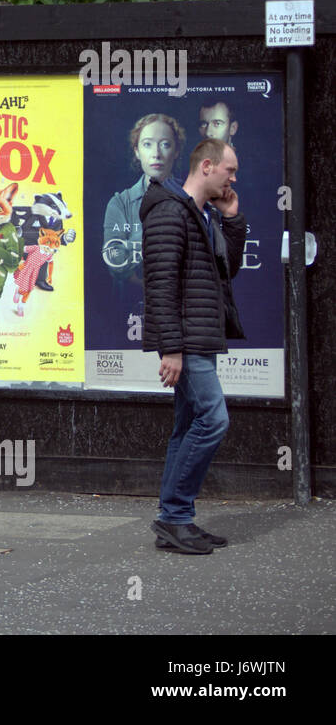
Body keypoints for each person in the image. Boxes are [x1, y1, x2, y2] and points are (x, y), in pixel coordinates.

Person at [141, 138, 245, 554]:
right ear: (207, 166)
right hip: (186, 341)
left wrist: (233, 219)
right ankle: (173, 517)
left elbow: (227, 271)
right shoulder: (169, 210)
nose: (233, 179)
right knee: (213, 420)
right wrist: (172, 349)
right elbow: (161, 285)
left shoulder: (200, 214)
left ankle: (178, 518)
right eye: (229, 171)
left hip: (199, 337)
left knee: (187, 427)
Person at [102, 113, 185, 298]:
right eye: (147, 144)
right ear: (137, 151)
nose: (156, 153)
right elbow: (115, 262)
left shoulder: (191, 198)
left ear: (176, 151)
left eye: (165, 144)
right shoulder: (120, 203)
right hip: (130, 306)